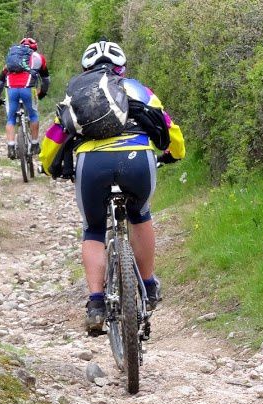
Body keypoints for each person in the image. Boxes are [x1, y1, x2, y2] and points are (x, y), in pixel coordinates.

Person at [39, 40, 186, 332]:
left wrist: (47, 166)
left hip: (91, 165)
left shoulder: (76, 95)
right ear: (122, 68)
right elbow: (170, 129)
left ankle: (96, 303)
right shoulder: (139, 90)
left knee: (93, 229)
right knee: (140, 214)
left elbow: (53, 140)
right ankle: (148, 285)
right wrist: (174, 154)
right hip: (137, 160)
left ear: (86, 69)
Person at [0, 37, 51, 159]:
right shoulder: (39, 58)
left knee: (11, 118)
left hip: (11, 90)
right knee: (33, 115)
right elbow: (45, 80)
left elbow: (0, 81)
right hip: (28, 89)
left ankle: (11, 146)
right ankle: (34, 144)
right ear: (34, 48)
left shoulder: (11, 60)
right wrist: (42, 93)